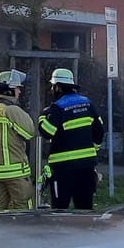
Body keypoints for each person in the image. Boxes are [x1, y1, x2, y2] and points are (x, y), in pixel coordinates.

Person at [38, 67, 105, 209]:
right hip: (87, 167)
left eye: (53, 87)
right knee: (85, 208)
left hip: (62, 170)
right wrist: (92, 150)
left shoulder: (57, 108)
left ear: (58, 88)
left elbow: (46, 132)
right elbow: (99, 132)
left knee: (60, 210)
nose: (51, 90)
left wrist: (43, 117)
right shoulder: (88, 104)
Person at [0, 69, 36, 211]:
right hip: (15, 174)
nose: (20, 92)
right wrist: (21, 112)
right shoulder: (12, 111)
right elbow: (29, 132)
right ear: (9, 90)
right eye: (17, 88)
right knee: (22, 211)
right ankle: (20, 234)